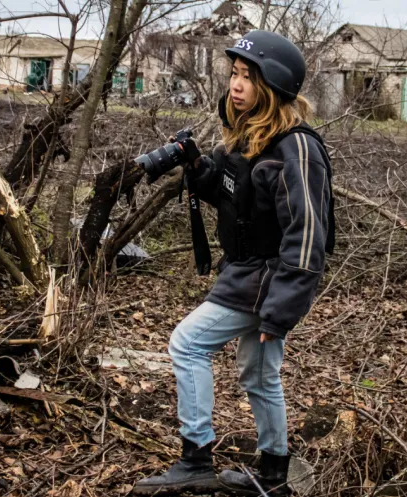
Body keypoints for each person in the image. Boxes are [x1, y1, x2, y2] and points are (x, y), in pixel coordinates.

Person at [132, 30, 335, 497]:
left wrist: (282, 308)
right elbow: (235, 199)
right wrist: (200, 168)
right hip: (247, 272)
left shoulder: (296, 147)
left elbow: (307, 235)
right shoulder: (249, 139)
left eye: (248, 76)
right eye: (234, 74)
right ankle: (274, 477)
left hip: (264, 279)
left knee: (187, 344)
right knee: (258, 373)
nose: (236, 85)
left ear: (273, 85)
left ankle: (196, 459)